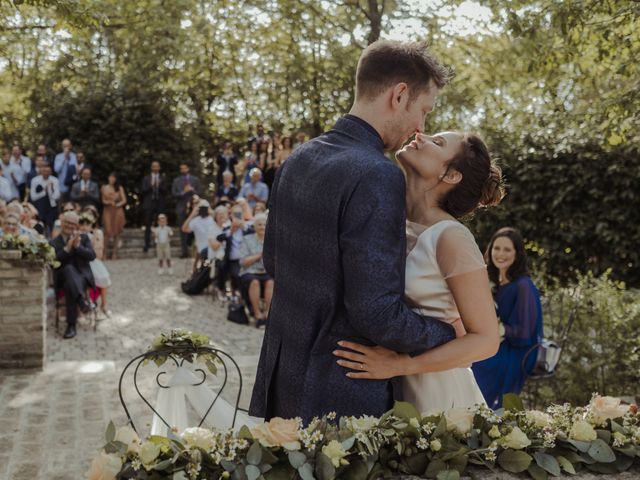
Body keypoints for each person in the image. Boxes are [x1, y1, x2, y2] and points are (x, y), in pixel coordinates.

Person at [249, 40, 457, 422]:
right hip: (339, 394)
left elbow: (273, 261)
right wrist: (447, 333)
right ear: (399, 95)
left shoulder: (299, 157)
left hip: (283, 377)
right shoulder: (377, 175)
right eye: (424, 111)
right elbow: (376, 312)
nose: (420, 128)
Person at [333, 130, 504, 413]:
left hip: (435, 391)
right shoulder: (388, 219)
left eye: (437, 143)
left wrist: (403, 365)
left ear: (451, 175)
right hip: (380, 388)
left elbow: (486, 340)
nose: (420, 136)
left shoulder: (451, 237)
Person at [471, 227, 544, 409]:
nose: (500, 254)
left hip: (519, 350)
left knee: (477, 363)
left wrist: (497, 328)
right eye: (497, 248)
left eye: (507, 249)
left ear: (517, 254)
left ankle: (482, 412)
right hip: (500, 342)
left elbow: (524, 333)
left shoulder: (523, 285)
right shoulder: (496, 281)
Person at [50, 211, 96, 339]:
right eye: (67, 222)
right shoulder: (53, 242)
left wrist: (77, 247)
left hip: (82, 277)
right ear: (62, 223)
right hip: (62, 279)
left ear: (77, 225)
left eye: (73, 223)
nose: (70, 226)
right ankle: (82, 303)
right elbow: (54, 263)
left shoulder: (84, 238)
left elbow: (92, 256)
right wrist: (67, 249)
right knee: (69, 272)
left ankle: (71, 325)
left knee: (70, 285)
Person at [238, 213, 272, 329]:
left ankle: (267, 314)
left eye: (264, 224)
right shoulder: (247, 239)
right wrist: (259, 255)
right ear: (254, 226)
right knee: (254, 282)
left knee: (271, 282)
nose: (262, 227)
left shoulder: (271, 240)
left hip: (266, 271)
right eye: (259, 224)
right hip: (249, 271)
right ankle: (258, 315)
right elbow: (243, 262)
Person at [80, 212, 111, 317]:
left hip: (94, 260)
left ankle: (104, 303)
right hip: (84, 261)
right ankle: (91, 304)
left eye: (87, 225)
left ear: (91, 226)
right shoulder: (78, 236)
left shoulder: (94, 235)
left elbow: (98, 253)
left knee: (104, 277)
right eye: (82, 224)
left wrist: (95, 242)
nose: (84, 227)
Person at [172, 162, 202, 258]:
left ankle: (196, 251)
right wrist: (183, 192)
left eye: (185, 168)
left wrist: (192, 190)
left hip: (194, 208)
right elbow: (174, 194)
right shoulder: (176, 181)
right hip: (181, 207)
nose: (183, 170)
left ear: (188, 168)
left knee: (196, 229)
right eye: (181, 168)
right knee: (182, 230)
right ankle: (184, 252)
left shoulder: (195, 180)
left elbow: (200, 192)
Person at [140, 161, 168, 252]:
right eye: (153, 166)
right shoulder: (146, 179)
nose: (155, 168)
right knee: (148, 224)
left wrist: (159, 186)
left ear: (159, 167)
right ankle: (146, 244)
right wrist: (151, 186)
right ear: (151, 168)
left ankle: (161, 244)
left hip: (160, 203)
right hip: (149, 203)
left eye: (157, 166)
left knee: (161, 225)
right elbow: (142, 191)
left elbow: (165, 192)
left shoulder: (163, 178)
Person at [101, 172, 127, 260]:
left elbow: (124, 200)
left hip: (117, 210)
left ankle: (114, 253)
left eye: (113, 177)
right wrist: (108, 202)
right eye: (110, 177)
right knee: (107, 231)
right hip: (108, 210)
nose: (112, 179)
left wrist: (118, 204)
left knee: (117, 232)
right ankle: (104, 253)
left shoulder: (119, 188)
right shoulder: (104, 188)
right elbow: (103, 200)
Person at [29, 161, 60, 235]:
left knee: (51, 224)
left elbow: (57, 196)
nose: (46, 173)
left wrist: (51, 190)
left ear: (50, 172)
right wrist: (44, 192)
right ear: (41, 171)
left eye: (48, 171)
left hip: (51, 207)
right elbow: (33, 197)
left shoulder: (54, 180)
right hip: (39, 207)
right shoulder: (35, 180)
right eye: (44, 171)